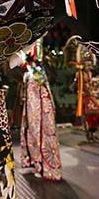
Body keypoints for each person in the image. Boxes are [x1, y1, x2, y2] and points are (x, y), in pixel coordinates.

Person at [12, 43, 63, 181]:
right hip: (34, 99)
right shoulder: (33, 70)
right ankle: (37, 162)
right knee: (34, 126)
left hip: (37, 100)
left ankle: (42, 164)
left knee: (39, 127)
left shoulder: (35, 70)